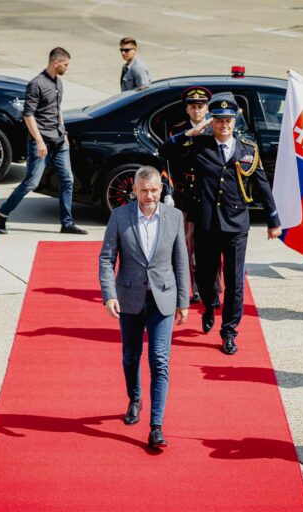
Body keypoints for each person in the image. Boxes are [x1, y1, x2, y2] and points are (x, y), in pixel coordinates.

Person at [159, 93, 282, 355]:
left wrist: (274, 220)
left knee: (235, 281)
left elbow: (261, 185)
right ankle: (210, 304)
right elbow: (165, 151)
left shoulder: (248, 149)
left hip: (236, 224)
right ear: (211, 121)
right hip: (206, 224)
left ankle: (229, 331)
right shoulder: (199, 146)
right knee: (204, 275)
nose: (224, 125)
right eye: (218, 120)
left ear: (234, 120)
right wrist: (191, 133)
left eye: (228, 120)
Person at [99, 166, 189, 450]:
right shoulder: (119, 216)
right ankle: (134, 399)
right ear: (134, 190)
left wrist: (183, 301)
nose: (149, 196)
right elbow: (106, 258)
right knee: (131, 356)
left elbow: (181, 261)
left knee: (159, 360)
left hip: (163, 297)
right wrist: (108, 294)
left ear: (161, 190)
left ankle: (156, 426)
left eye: (154, 190)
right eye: (143, 190)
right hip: (129, 297)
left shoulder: (174, 217)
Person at [0, 47, 87, 236]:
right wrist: (40, 141)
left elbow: (57, 109)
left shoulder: (58, 83)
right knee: (31, 182)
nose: (67, 68)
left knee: (67, 180)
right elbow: (28, 116)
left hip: (60, 141)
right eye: (65, 64)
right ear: (55, 62)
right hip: (40, 142)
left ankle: (67, 223)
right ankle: (2, 213)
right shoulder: (36, 84)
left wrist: (64, 132)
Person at [166, 86, 212, 304]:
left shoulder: (215, 128)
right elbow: (168, 153)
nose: (197, 110)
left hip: (210, 194)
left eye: (201, 106)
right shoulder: (178, 130)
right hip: (186, 192)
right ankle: (190, 287)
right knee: (187, 243)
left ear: (207, 109)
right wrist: (188, 135)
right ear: (186, 109)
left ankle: (211, 287)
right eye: (193, 106)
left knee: (210, 241)